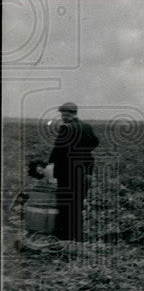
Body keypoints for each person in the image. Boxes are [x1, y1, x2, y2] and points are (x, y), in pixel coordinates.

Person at [47, 102, 99, 241]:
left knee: (65, 204)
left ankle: (64, 237)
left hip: (67, 171)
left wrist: (49, 163)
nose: (62, 117)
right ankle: (78, 236)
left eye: (63, 114)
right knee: (77, 203)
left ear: (67, 114)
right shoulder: (86, 127)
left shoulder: (66, 128)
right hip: (84, 170)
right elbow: (95, 142)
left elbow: (58, 149)